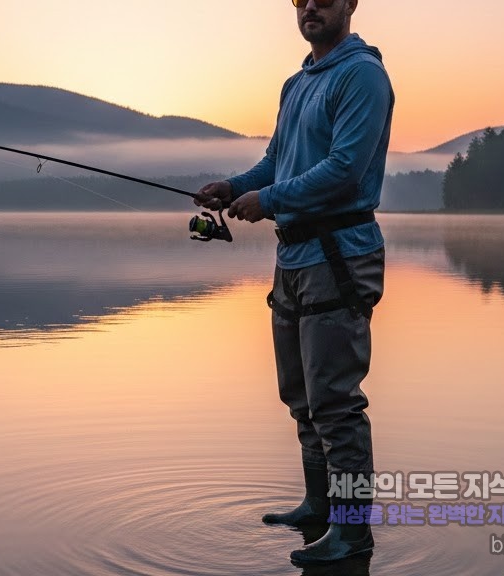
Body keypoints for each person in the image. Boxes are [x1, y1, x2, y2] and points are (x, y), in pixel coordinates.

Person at [194, 0, 393, 565]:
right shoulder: (295, 83)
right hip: (295, 259)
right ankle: (319, 505)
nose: (310, 6)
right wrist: (232, 188)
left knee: (336, 403)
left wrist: (270, 201)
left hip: (341, 258)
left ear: (351, 3)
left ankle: (353, 531)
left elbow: (344, 169)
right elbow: (276, 162)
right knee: (301, 397)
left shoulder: (363, 76)